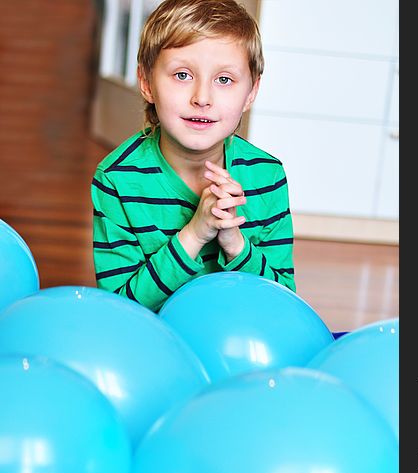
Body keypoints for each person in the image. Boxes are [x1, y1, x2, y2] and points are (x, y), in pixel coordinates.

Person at [92, 0, 295, 312]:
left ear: (251, 93)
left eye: (224, 80)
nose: (202, 98)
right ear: (146, 83)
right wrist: (195, 234)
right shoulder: (116, 179)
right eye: (183, 75)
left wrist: (234, 244)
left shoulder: (267, 176)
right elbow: (120, 309)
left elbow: (283, 304)